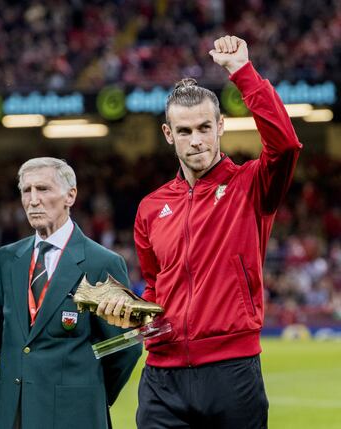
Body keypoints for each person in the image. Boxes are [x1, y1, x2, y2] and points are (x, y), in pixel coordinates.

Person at [97, 35, 302, 428]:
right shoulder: (151, 207)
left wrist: (243, 72)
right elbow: (156, 284)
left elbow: (286, 147)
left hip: (232, 370)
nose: (197, 141)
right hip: (162, 375)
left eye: (205, 128)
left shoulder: (251, 186)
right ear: (168, 134)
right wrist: (136, 312)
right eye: (185, 131)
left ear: (220, 126)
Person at [0, 157, 142, 429]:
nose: (33, 200)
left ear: (70, 195)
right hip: (12, 413)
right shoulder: (7, 259)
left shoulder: (101, 263)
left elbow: (124, 346)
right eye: (27, 190)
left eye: (43, 189)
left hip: (75, 415)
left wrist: (84, 391)